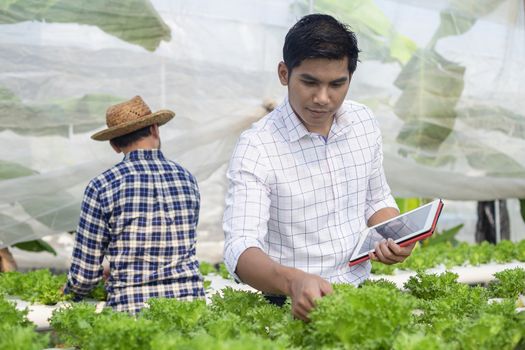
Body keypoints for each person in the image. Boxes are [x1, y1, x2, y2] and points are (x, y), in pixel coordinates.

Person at [223, 14, 415, 322]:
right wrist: (294, 281)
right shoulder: (258, 147)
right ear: (284, 73)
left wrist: (394, 237)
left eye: (337, 84)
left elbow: (376, 199)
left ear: (350, 77)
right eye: (309, 82)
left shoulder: (362, 122)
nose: (323, 98)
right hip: (289, 303)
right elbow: (240, 248)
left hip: (358, 290)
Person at [64, 96, 204, 313]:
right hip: (190, 307)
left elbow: (85, 274)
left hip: (131, 309)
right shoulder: (186, 178)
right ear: (155, 129)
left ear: (114, 145)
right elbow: (179, 242)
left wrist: (69, 294)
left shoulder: (103, 185)